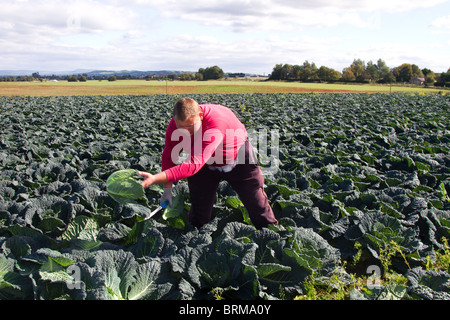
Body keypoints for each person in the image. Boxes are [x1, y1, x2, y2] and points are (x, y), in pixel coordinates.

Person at [138, 97, 277, 229]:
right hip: (204, 162)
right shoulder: (175, 125)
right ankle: (197, 238)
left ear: (201, 117)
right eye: (181, 127)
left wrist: (155, 178)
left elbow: (193, 165)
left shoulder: (215, 124)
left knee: (255, 201)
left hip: (237, 157)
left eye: (190, 127)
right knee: (199, 207)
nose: (185, 131)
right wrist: (167, 189)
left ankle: (271, 235)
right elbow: (168, 156)